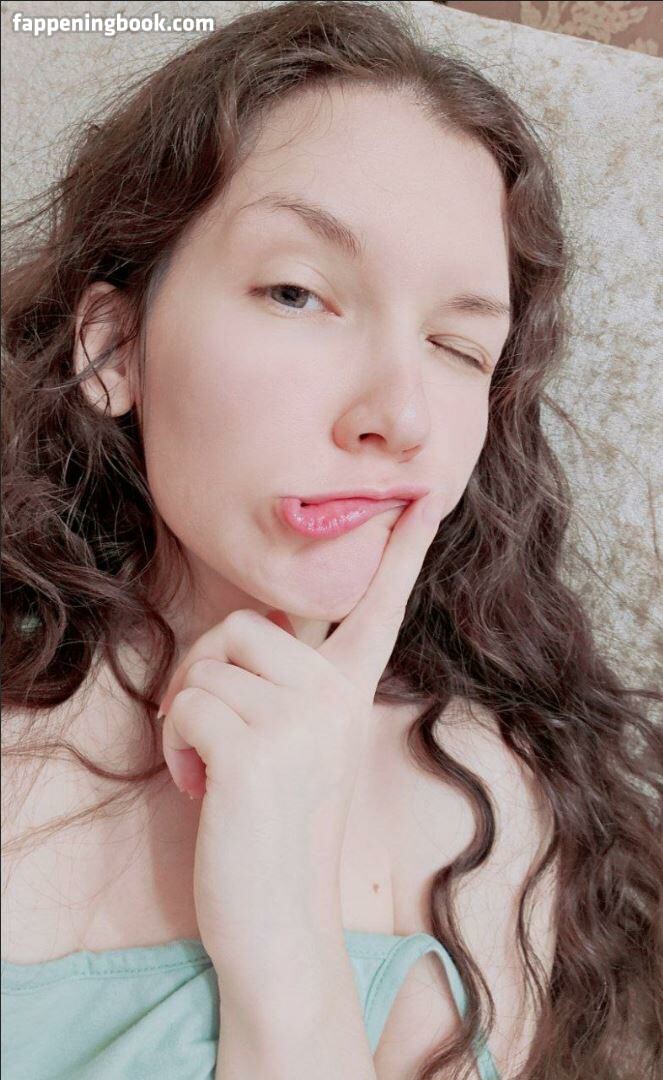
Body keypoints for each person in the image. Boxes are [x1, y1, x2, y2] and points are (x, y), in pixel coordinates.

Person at [1, 3, 660, 1079]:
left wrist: (285, 939)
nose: (398, 414)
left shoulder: (486, 817)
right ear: (113, 349)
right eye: (297, 292)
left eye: (458, 346)